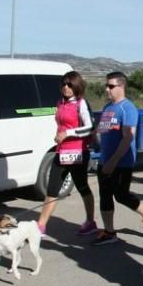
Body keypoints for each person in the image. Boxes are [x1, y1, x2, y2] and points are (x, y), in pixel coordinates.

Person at [91, 72, 143, 246]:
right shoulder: (107, 108)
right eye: (106, 85)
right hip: (105, 160)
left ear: (122, 87)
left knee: (121, 195)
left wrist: (113, 162)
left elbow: (128, 138)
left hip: (122, 162)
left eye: (111, 86)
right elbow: (102, 131)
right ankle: (109, 231)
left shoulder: (128, 109)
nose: (107, 89)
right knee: (105, 196)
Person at [37, 71, 97, 237]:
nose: (65, 87)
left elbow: (90, 127)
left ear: (77, 86)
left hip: (78, 152)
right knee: (52, 189)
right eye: (63, 84)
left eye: (69, 84)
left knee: (83, 187)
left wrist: (68, 133)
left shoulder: (81, 103)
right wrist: (59, 135)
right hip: (62, 152)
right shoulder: (60, 103)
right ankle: (41, 226)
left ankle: (90, 221)